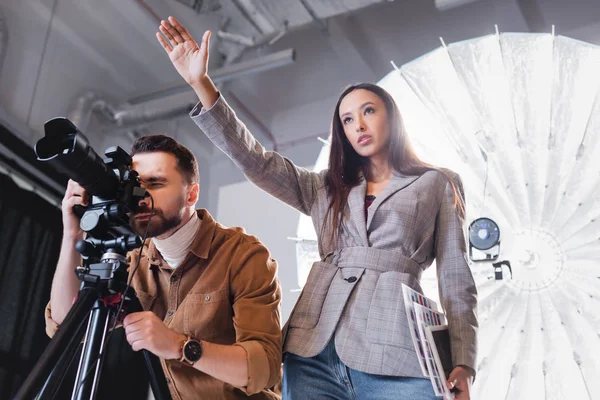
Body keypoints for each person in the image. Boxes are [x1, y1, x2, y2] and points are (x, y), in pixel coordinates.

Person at [157, 16, 478, 400]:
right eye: (347, 119)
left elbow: (456, 280)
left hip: (399, 352)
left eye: (369, 111)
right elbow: (255, 160)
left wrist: (464, 362)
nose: (358, 124)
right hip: (312, 351)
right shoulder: (325, 187)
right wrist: (201, 84)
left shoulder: (436, 183)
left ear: (392, 116)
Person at [45, 135, 283, 399]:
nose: (141, 197)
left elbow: (265, 369)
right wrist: (72, 236)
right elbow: (64, 329)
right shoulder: (133, 260)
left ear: (191, 194)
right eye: (135, 185)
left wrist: (179, 346)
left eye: (155, 183)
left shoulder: (243, 255)